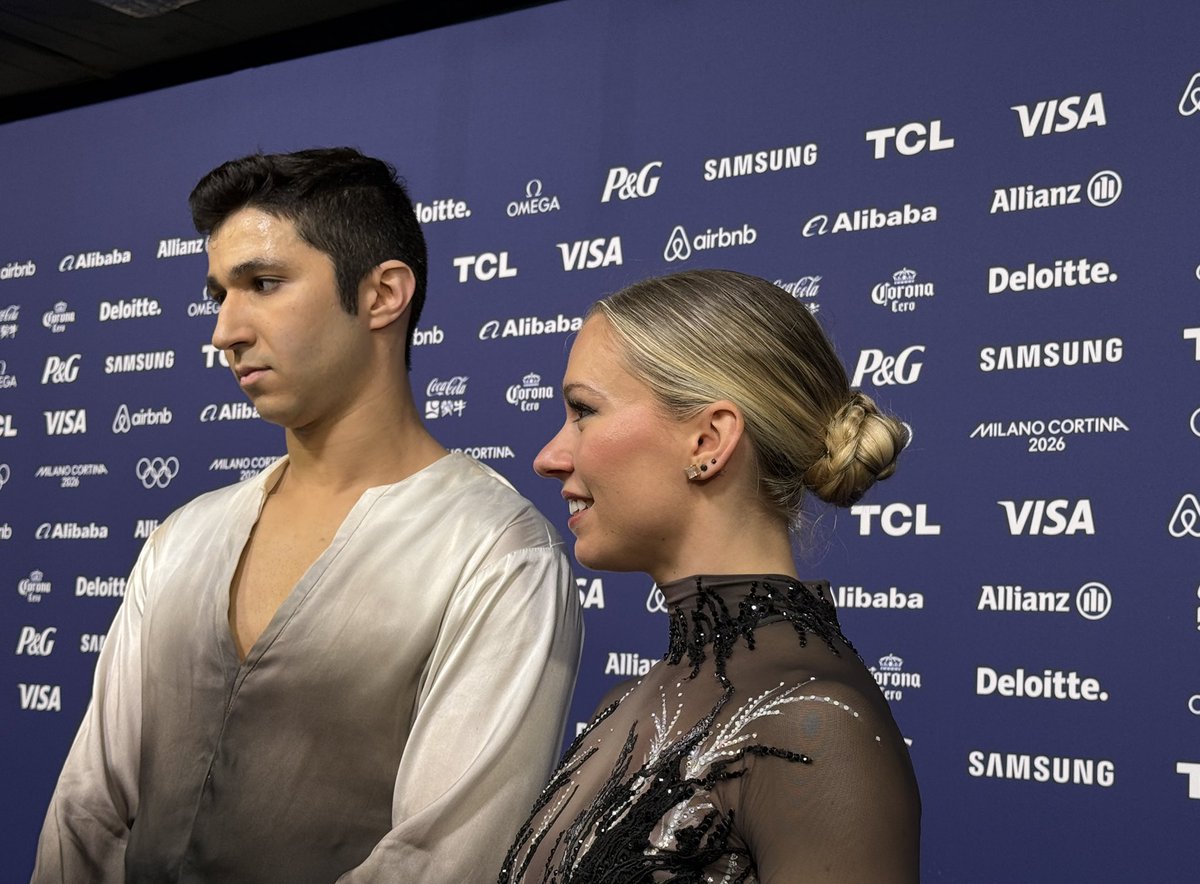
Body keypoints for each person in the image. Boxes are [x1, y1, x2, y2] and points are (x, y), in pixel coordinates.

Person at [33, 147, 583, 884]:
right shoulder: (183, 536)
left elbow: (442, 861)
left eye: (263, 284)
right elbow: (87, 811)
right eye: (218, 295)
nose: (225, 330)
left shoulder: (496, 554)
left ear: (384, 294)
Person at [498, 269, 921, 883]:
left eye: (583, 411)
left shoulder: (814, 722)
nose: (548, 457)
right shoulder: (624, 705)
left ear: (709, 439)